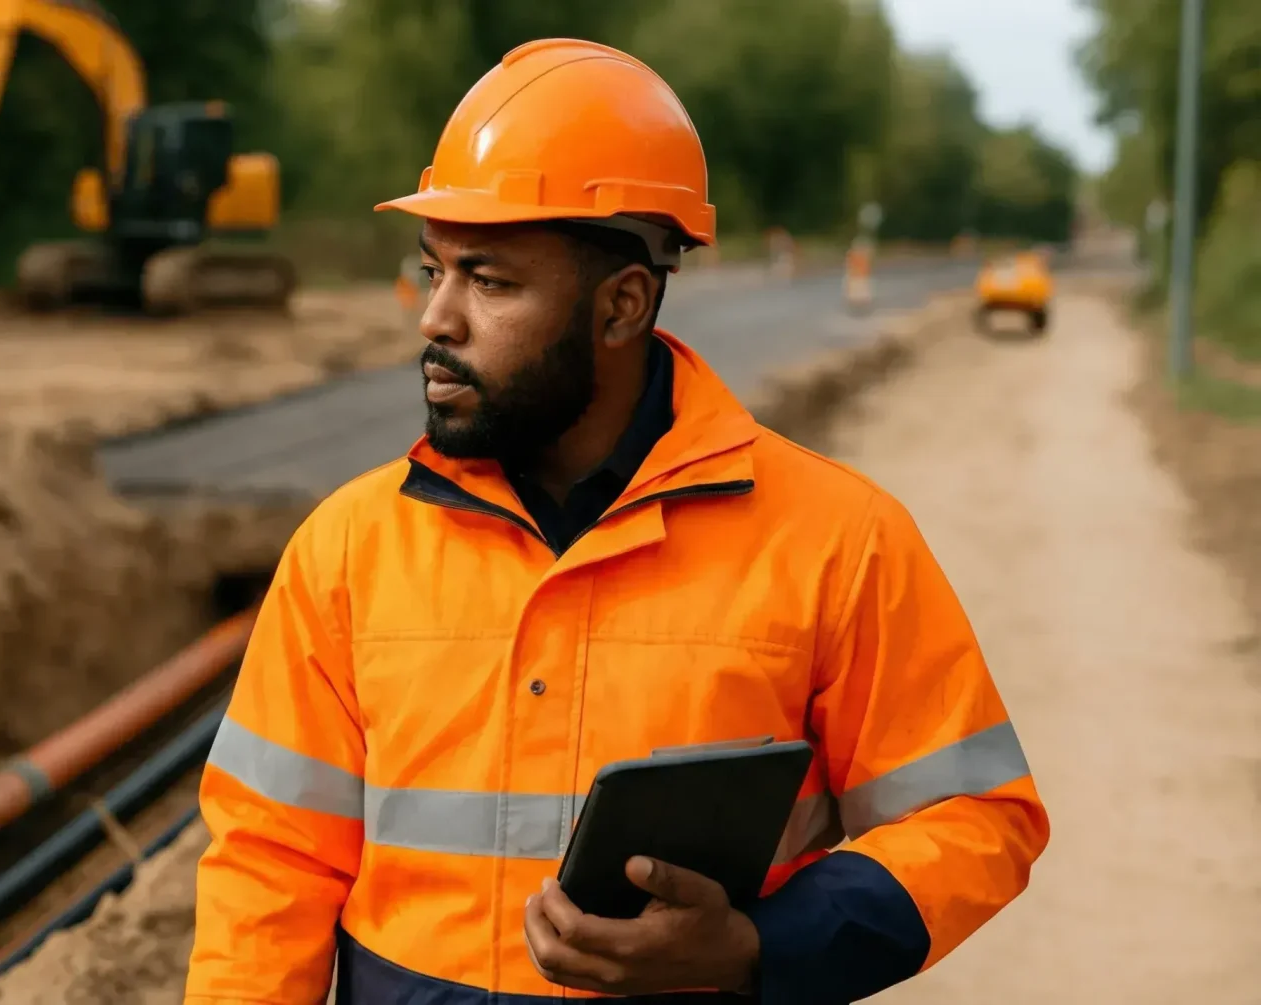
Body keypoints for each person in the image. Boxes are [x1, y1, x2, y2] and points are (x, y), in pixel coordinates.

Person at [185, 38, 1047, 1005]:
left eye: (490, 280)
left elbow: (975, 816)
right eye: (434, 271)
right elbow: (270, 863)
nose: (437, 317)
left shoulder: (838, 542)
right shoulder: (349, 548)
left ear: (622, 305)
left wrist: (761, 947)